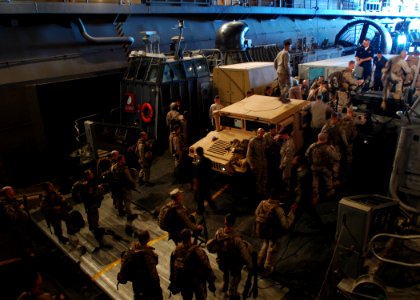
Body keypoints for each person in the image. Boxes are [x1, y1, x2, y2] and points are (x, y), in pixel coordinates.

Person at [255, 189, 295, 275]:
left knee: (265, 245)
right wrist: (291, 213)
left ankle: (259, 264)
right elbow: (286, 224)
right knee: (272, 250)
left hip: (263, 230)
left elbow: (256, 213)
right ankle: (267, 269)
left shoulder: (262, 203)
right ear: (278, 196)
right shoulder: (278, 209)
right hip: (273, 233)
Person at [212, 214, 253, 300]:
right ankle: (232, 294)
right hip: (233, 265)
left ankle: (225, 285)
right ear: (234, 223)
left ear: (225, 221)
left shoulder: (219, 233)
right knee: (235, 280)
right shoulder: (237, 239)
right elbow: (245, 254)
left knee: (226, 273)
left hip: (222, 262)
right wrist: (250, 265)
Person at [169, 229, 216, 300]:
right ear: (190, 237)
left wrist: (173, 281)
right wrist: (211, 282)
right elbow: (207, 267)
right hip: (197, 282)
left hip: (184, 281)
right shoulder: (198, 251)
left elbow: (173, 268)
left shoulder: (176, 251)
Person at [118, 230, 163, 300]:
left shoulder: (130, 252)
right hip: (152, 284)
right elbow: (155, 263)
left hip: (138, 285)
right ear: (148, 239)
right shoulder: (149, 253)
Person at [305, 133, 339, 204]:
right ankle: (330, 190)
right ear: (326, 139)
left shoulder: (312, 146)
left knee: (315, 179)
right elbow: (336, 157)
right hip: (323, 168)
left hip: (314, 167)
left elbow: (306, 155)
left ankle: (315, 193)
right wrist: (334, 149)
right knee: (329, 176)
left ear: (318, 138)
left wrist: (311, 163)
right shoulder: (327, 148)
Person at [0, 186, 34, 256]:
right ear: (7, 193)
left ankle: (29, 252)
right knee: (22, 245)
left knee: (27, 242)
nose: (13, 192)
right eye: (11, 191)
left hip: (23, 225)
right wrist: (19, 209)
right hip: (17, 227)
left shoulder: (15, 201)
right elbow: (13, 217)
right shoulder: (6, 204)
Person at [76, 169, 105, 241]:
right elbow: (93, 195)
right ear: (88, 176)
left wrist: (97, 187)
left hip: (87, 203)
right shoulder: (89, 185)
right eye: (91, 173)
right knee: (95, 216)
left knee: (89, 214)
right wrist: (100, 190)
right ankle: (96, 230)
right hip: (91, 203)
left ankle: (91, 226)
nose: (92, 174)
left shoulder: (84, 183)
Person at [111, 155, 137, 219]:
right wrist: (134, 183)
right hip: (125, 187)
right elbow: (129, 178)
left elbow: (112, 175)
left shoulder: (113, 167)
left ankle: (120, 212)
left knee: (119, 200)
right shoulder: (124, 168)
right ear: (120, 160)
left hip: (117, 187)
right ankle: (129, 215)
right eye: (123, 159)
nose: (124, 160)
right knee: (127, 201)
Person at [193, 147, 215, 215]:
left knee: (200, 198)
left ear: (197, 153)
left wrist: (195, 186)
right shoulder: (207, 160)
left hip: (201, 183)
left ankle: (200, 210)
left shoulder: (199, 165)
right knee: (207, 195)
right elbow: (211, 167)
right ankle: (214, 207)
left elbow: (196, 177)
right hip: (207, 181)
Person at [247, 128, 268, 196]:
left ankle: (264, 191)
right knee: (258, 179)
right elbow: (249, 155)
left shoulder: (264, 139)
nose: (260, 135)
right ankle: (259, 193)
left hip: (264, 163)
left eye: (262, 133)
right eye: (259, 133)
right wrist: (251, 165)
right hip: (257, 164)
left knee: (265, 177)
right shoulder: (252, 141)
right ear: (256, 133)